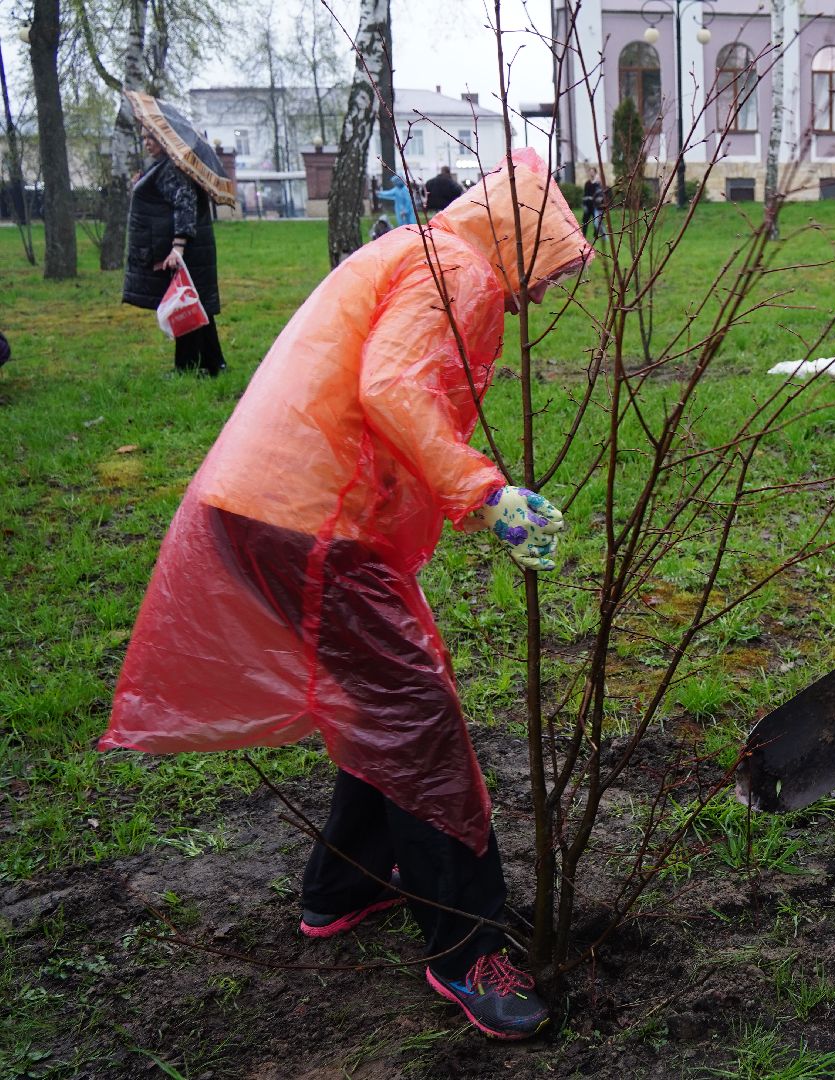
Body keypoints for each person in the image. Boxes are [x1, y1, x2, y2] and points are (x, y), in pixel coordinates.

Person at [101, 149, 594, 1041]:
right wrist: (487, 493)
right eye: (550, 271)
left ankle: (345, 886)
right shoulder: (462, 270)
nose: (542, 295)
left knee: (383, 693)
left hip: (271, 505)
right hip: (311, 518)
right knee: (417, 715)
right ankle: (467, 951)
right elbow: (394, 388)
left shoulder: (418, 249)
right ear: (522, 241)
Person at [123, 124, 226, 376]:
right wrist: (141, 184)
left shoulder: (172, 168)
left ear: (166, 139)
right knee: (197, 303)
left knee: (186, 305)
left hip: (185, 248)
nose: (147, 142)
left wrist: (177, 247)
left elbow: (184, 205)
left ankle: (187, 366)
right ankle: (214, 363)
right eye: (145, 138)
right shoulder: (164, 165)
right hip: (191, 246)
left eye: (152, 138)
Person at [581, 167, 604, 239]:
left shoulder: (597, 184)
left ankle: (595, 236)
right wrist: (584, 205)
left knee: (596, 221)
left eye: (593, 172)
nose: (591, 173)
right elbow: (585, 194)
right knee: (585, 221)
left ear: (595, 173)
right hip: (588, 205)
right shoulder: (587, 183)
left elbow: (600, 194)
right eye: (590, 172)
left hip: (595, 206)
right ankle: (583, 236)